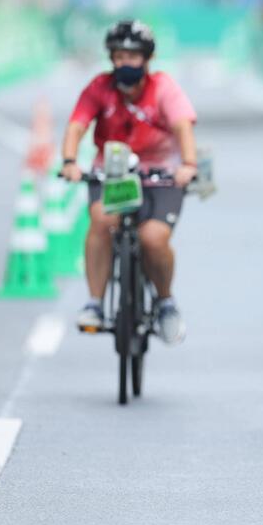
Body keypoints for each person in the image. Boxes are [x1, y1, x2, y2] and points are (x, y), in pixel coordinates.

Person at [60, 20, 197, 344]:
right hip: (112, 173)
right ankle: (94, 303)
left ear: (146, 59)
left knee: (152, 239)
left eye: (132, 57)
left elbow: (182, 127)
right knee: (102, 220)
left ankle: (165, 302)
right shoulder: (99, 87)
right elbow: (76, 126)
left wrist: (188, 165)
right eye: (119, 56)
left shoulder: (164, 87)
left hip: (160, 176)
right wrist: (69, 162)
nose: (125, 63)